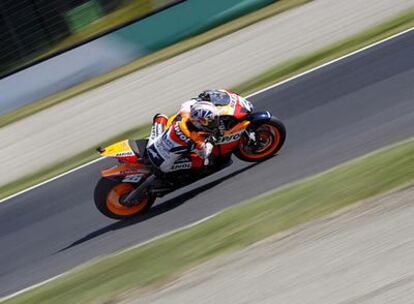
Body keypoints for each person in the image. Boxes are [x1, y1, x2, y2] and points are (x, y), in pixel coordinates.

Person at [146, 100, 220, 174]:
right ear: (198, 121)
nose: (213, 123)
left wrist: (202, 103)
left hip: (151, 146)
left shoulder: (183, 115)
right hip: (162, 165)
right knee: (202, 161)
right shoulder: (196, 140)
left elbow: (188, 103)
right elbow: (204, 154)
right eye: (210, 122)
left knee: (160, 116)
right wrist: (211, 140)